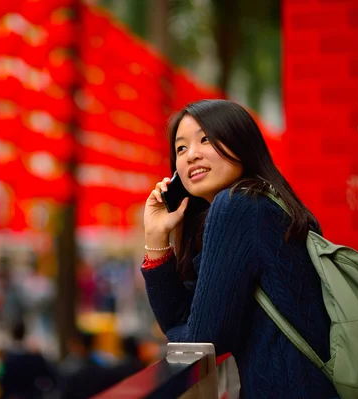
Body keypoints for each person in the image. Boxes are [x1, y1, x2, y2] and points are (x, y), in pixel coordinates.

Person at [142, 100, 338, 398]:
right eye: (181, 149)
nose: (192, 155)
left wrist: (185, 329)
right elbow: (183, 326)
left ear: (241, 143)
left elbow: (197, 342)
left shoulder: (238, 205)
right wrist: (156, 235)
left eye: (206, 139)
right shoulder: (264, 202)